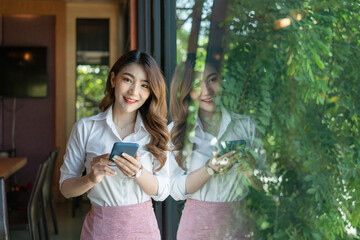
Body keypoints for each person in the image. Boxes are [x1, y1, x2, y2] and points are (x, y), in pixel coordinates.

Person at [59, 50, 169, 240]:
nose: (134, 91)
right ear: (113, 80)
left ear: (151, 91)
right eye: (128, 80)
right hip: (100, 229)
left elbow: (162, 191)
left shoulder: (157, 133)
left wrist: (139, 173)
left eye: (144, 85)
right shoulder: (85, 128)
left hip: (144, 230)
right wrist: (91, 178)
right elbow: (66, 189)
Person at [169, 58, 265, 239]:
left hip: (237, 223)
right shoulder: (174, 132)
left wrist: (249, 169)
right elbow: (174, 190)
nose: (207, 91)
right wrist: (209, 169)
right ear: (186, 89)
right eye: (197, 84)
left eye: (212, 79)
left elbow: (263, 184)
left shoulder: (245, 126)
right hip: (195, 226)